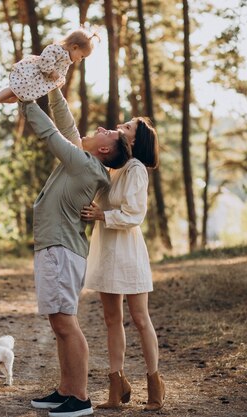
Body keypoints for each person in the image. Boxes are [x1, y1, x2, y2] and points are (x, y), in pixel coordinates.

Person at [20, 89, 131, 417]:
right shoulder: (84, 160)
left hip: (61, 251)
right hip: (56, 248)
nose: (99, 129)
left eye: (106, 133)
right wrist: (53, 88)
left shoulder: (83, 164)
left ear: (106, 149)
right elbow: (66, 127)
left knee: (65, 323)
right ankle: (66, 390)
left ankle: (80, 398)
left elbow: (51, 133)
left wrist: (27, 99)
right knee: (59, 323)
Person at [80, 117, 166, 411]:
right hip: (106, 251)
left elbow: (135, 214)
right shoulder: (114, 170)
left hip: (128, 252)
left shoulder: (136, 170)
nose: (121, 126)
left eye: (128, 127)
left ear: (134, 140)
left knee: (140, 318)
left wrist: (103, 216)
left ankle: (155, 383)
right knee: (111, 320)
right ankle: (116, 387)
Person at [0, 28, 99, 116]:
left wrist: (60, 80)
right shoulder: (57, 49)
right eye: (82, 56)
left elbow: (60, 73)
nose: (80, 60)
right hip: (32, 75)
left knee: (15, 98)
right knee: (14, 89)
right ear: (75, 47)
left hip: (36, 82)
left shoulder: (67, 60)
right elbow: (45, 58)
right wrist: (51, 71)